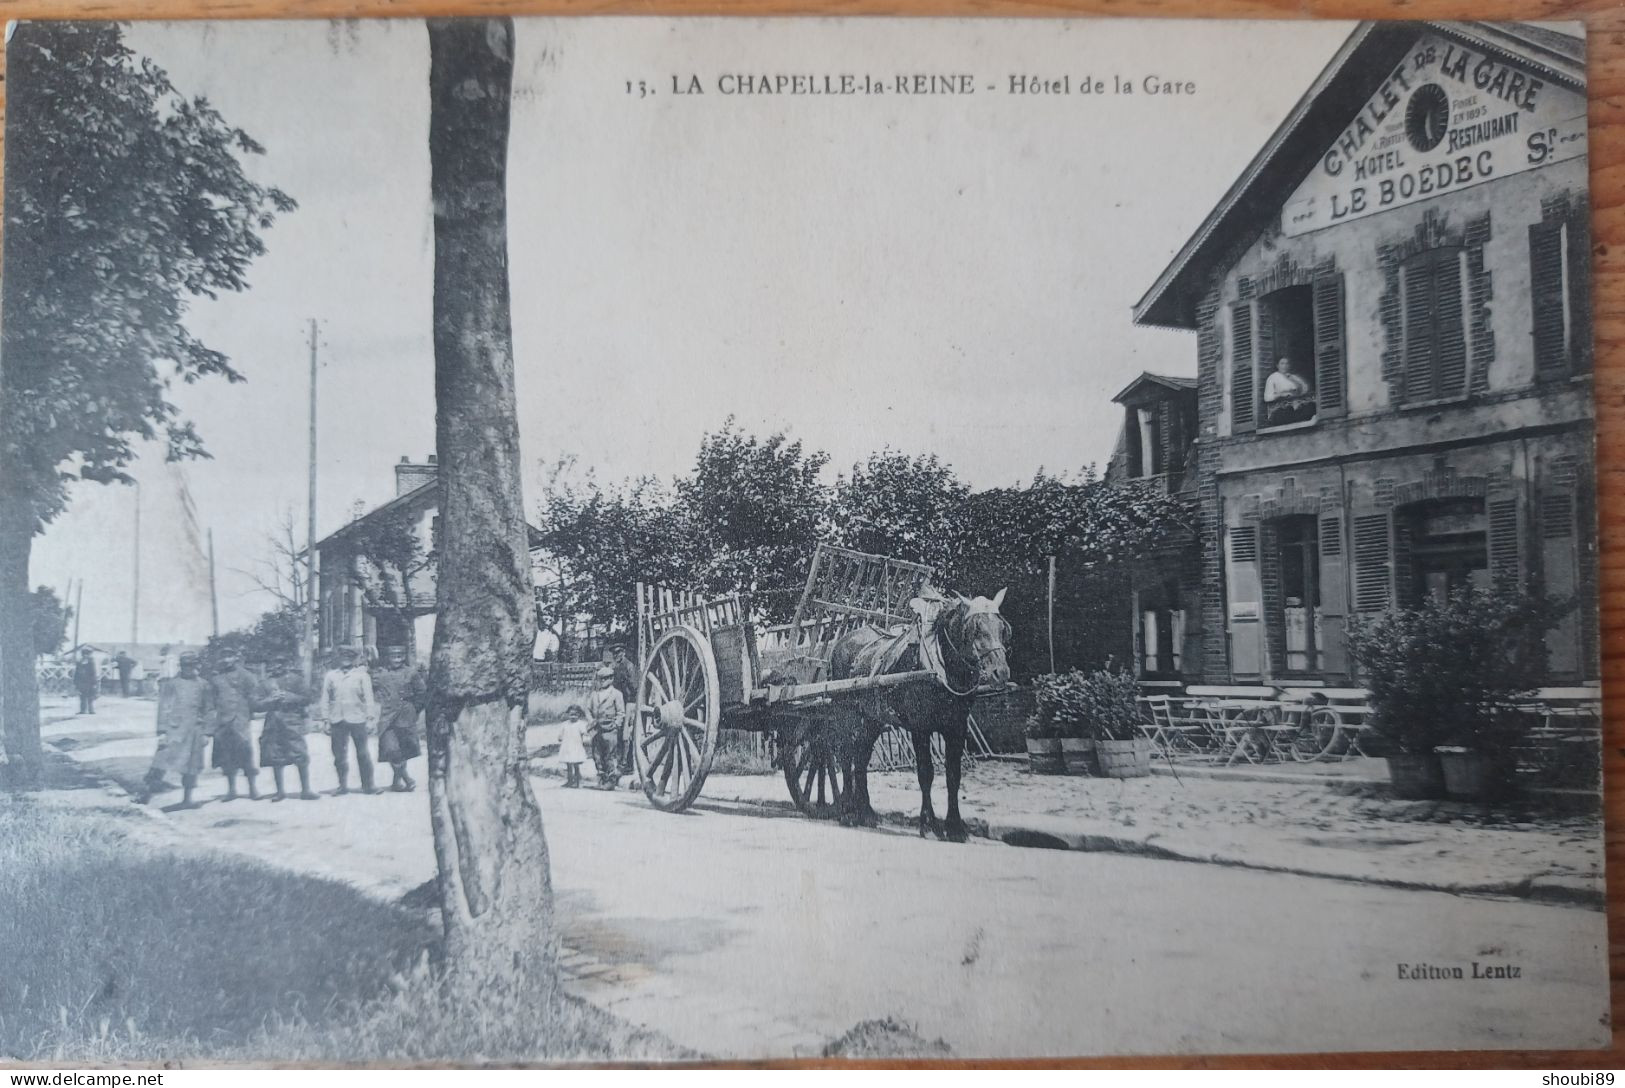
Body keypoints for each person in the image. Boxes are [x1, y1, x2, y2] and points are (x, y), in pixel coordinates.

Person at [134, 652, 212, 809]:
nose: (189, 669)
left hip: (195, 730)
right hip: (174, 729)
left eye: (192, 665)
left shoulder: (204, 685)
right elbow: (164, 708)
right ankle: (145, 795)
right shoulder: (171, 684)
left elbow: (209, 710)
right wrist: (162, 731)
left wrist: (207, 732)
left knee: (192, 766)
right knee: (161, 762)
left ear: (198, 666)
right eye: (185, 666)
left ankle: (187, 799)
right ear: (181, 667)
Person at [208, 647, 266, 802]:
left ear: (236, 657)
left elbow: (255, 697)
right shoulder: (216, 678)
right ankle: (231, 790)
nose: (226, 660)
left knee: (246, 753)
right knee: (226, 756)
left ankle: (253, 789)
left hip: (240, 720)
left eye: (230, 656)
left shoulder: (248, 676)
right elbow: (212, 701)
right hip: (223, 721)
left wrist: (251, 711)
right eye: (224, 656)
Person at [258, 659, 318, 802]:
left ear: (286, 665)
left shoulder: (297, 680)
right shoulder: (265, 683)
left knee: (300, 754)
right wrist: (269, 700)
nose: (276, 666)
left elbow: (309, 698)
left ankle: (306, 790)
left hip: (293, 721)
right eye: (273, 664)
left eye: (280, 663)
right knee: (275, 756)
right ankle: (280, 792)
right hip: (273, 723)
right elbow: (255, 704)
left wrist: (292, 697)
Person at [323, 646, 379, 795]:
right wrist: (325, 720)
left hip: (357, 719)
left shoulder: (361, 675)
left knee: (363, 753)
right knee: (339, 755)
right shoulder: (331, 676)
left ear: (354, 659)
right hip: (337, 719)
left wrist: (370, 719)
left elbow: (369, 699)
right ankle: (342, 786)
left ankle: (368, 786)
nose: (345, 659)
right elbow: (325, 699)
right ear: (338, 658)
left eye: (349, 657)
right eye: (342, 656)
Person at [372, 645, 425, 792]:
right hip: (387, 717)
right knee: (391, 750)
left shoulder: (411, 673)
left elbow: (422, 694)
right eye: (393, 657)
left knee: (403, 750)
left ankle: (396, 782)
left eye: (399, 656)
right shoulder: (380, 674)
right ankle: (408, 779)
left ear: (403, 657)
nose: (396, 659)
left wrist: (414, 710)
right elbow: (371, 689)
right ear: (388, 658)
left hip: (405, 716)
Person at [585, 665, 625, 789]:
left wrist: (617, 724)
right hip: (596, 729)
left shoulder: (616, 694)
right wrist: (591, 720)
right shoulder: (594, 694)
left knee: (610, 754)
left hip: (610, 729)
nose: (602, 681)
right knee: (597, 754)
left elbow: (621, 712)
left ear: (611, 679)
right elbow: (587, 709)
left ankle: (611, 780)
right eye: (600, 679)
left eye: (605, 678)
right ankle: (601, 778)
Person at [609, 641, 639, 781]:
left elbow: (634, 687)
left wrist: (631, 706)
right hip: (619, 702)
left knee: (627, 734)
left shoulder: (629, 666)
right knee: (620, 733)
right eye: (615, 653)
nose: (616, 655)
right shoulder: (615, 667)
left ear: (623, 653)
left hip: (629, 702)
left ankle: (628, 765)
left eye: (619, 652)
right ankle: (623, 764)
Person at [558, 704, 588, 788]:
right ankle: (570, 780)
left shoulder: (580, 724)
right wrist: (560, 737)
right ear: (568, 714)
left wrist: (587, 731)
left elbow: (585, 732)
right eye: (571, 714)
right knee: (568, 764)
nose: (573, 717)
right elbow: (561, 734)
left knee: (576, 764)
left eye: (575, 714)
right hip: (567, 746)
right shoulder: (565, 724)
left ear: (579, 715)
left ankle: (577, 781)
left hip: (576, 747)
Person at [73, 649, 99, 715]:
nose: (85, 656)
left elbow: (93, 673)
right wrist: (75, 682)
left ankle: (91, 710)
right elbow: (76, 673)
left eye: (86, 654)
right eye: (84, 654)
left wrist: (94, 682)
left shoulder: (91, 663)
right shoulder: (79, 663)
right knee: (82, 696)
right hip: (81, 682)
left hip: (89, 682)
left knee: (90, 696)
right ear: (82, 655)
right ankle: (83, 710)